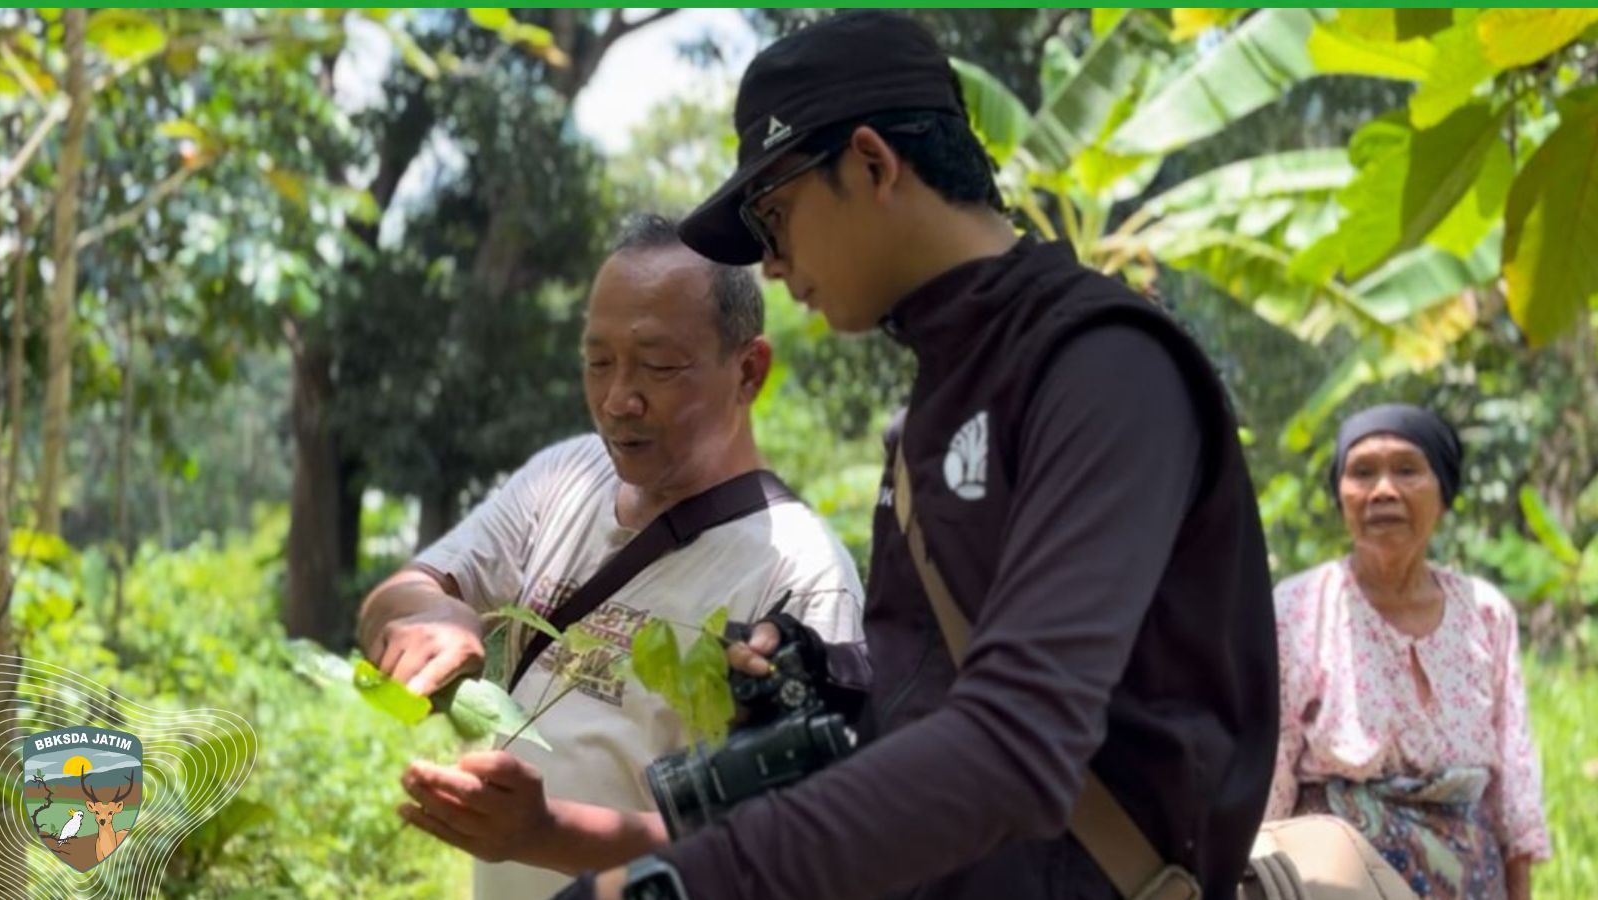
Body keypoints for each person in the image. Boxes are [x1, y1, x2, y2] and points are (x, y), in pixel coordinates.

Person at [551, 11, 1279, 900]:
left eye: (773, 218)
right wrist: (833, 680)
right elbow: (953, 672)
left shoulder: (1104, 365)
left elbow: (1019, 739)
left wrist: (685, 881)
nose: (772, 266)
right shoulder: (937, 404)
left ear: (870, 163)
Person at [357, 215, 865, 899]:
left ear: (749, 370)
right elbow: (403, 591)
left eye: (658, 366)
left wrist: (548, 833)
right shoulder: (565, 476)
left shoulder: (800, 573)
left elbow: (797, 847)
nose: (618, 399)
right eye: (598, 363)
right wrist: (430, 615)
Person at [1267, 404, 1549, 900]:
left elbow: (1514, 782)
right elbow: (1270, 769)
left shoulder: (1485, 613)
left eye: (1406, 470)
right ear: (1340, 495)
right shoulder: (1299, 607)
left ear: (1443, 493)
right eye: (1362, 473)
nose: (1382, 491)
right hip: (1335, 884)